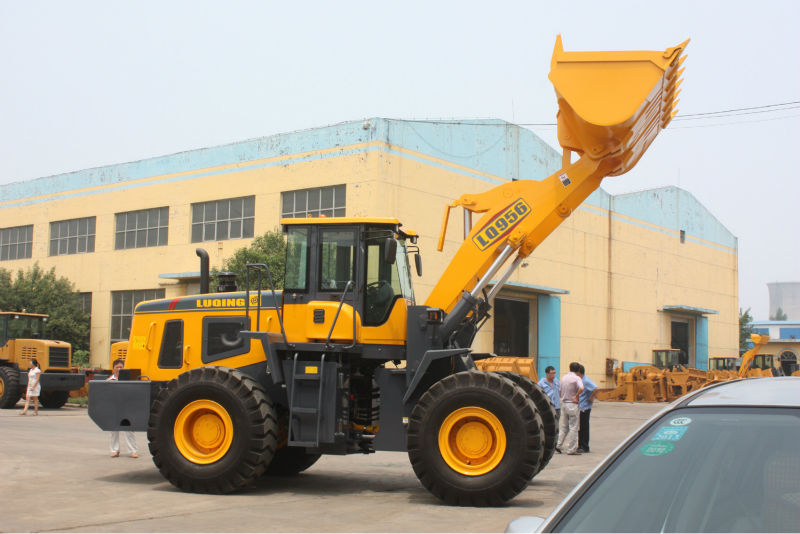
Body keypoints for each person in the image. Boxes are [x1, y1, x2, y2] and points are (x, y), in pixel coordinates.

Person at [107, 359, 138, 458]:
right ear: (113, 368)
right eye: (117, 367)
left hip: (126, 407)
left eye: (121, 367)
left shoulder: (128, 379)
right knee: (114, 430)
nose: (119, 369)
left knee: (129, 429)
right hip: (114, 407)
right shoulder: (109, 381)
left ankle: (133, 451)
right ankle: (114, 450)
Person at [556, 362, 584, 455]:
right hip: (572, 404)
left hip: (564, 403)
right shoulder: (577, 378)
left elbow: (560, 391)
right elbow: (582, 388)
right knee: (574, 427)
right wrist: (576, 396)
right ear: (578, 370)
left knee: (564, 426)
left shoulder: (564, 377)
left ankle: (558, 444)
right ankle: (571, 449)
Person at [538, 365, 561, 448]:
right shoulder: (541, 384)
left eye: (555, 373)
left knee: (556, 426)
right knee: (547, 426)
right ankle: (547, 443)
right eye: (552, 373)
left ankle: (555, 444)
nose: (554, 375)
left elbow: (559, 393)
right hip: (548, 408)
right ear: (547, 374)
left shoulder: (557, 382)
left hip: (557, 407)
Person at [576, 364, 597, 453]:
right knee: (580, 427)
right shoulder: (580, 380)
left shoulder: (586, 381)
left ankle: (584, 446)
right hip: (581, 407)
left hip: (585, 407)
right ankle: (581, 445)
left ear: (579, 372)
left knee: (584, 427)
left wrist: (591, 398)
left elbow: (595, 388)